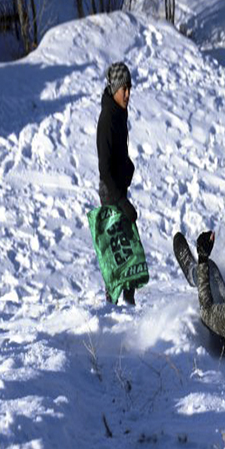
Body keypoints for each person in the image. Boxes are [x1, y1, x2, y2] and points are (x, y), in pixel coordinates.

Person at [97, 61, 139, 304]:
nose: (128, 94)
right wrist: (122, 202)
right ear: (114, 88)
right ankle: (113, 307)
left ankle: (127, 302)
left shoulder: (119, 113)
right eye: (124, 88)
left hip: (118, 188)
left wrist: (128, 166)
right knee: (119, 250)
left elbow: (117, 157)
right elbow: (105, 169)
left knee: (128, 251)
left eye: (130, 88)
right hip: (111, 192)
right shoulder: (107, 120)